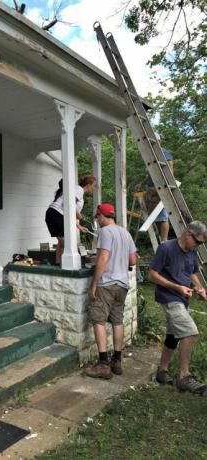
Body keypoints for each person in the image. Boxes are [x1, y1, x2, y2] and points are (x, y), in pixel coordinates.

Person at [149, 221, 207, 394]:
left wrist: (200, 288)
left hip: (182, 299)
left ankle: (162, 370)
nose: (199, 246)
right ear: (188, 234)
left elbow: (192, 273)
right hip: (169, 297)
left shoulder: (192, 252)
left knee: (173, 335)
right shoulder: (166, 248)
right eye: (198, 242)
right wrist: (176, 287)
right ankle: (184, 376)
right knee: (190, 332)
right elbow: (152, 275)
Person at [85, 203, 137, 379]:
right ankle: (117, 360)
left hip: (106, 284)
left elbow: (103, 258)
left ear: (101, 216)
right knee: (117, 321)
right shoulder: (125, 232)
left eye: (97, 217)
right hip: (122, 284)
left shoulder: (105, 232)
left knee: (98, 320)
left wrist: (93, 284)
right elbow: (132, 260)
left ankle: (103, 364)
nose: (97, 221)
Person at [45, 175, 96, 266]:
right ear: (88, 185)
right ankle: (69, 266)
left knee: (62, 242)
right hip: (56, 215)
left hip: (52, 214)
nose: (94, 188)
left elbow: (69, 213)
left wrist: (79, 226)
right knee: (68, 243)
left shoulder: (77, 190)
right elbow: (69, 203)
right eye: (94, 186)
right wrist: (78, 214)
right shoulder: (79, 190)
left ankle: (58, 263)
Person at [136, 132, 174, 242]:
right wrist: (141, 184)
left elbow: (170, 168)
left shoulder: (163, 153)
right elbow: (150, 174)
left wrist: (167, 185)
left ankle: (164, 240)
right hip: (153, 191)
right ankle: (162, 239)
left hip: (161, 189)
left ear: (158, 141)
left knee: (163, 217)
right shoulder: (151, 155)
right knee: (157, 217)